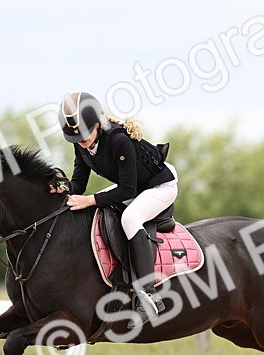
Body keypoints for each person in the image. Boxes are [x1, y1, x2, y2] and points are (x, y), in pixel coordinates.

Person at [60, 90, 177, 324]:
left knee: (130, 219)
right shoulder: (81, 144)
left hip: (159, 186)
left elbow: (127, 192)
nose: (81, 141)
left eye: (85, 134)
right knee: (94, 210)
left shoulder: (118, 140)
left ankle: (150, 296)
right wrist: (61, 188)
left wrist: (91, 200)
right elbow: (79, 185)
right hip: (135, 188)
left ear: (97, 124)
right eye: (75, 138)